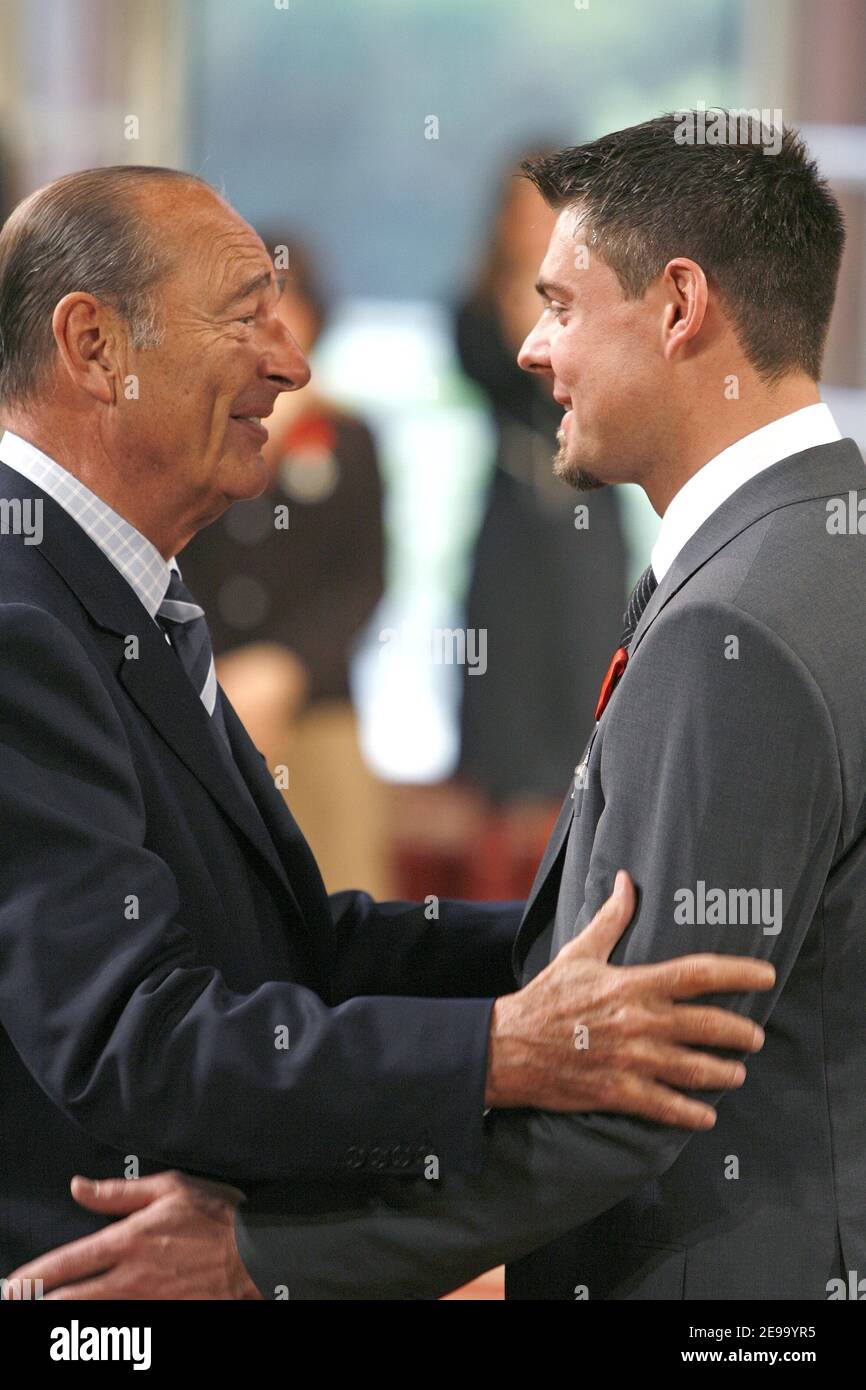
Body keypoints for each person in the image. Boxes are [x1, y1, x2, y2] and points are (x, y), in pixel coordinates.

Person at [16, 111, 859, 1303]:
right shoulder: (808, 552)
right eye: (241, 313)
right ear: (93, 345)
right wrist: (508, 1040)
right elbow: (130, 1032)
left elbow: (635, 1090)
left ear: (678, 310)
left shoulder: (738, 610)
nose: (291, 358)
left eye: (558, 305)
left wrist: (272, 1259)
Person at [455, 152, 627, 888]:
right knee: (501, 694)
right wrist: (534, 286)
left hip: (588, 514)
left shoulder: (613, 304)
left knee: (588, 681)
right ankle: (499, 915)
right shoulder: (472, 305)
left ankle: (578, 879)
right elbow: (504, 376)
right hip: (512, 514)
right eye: (521, 213)